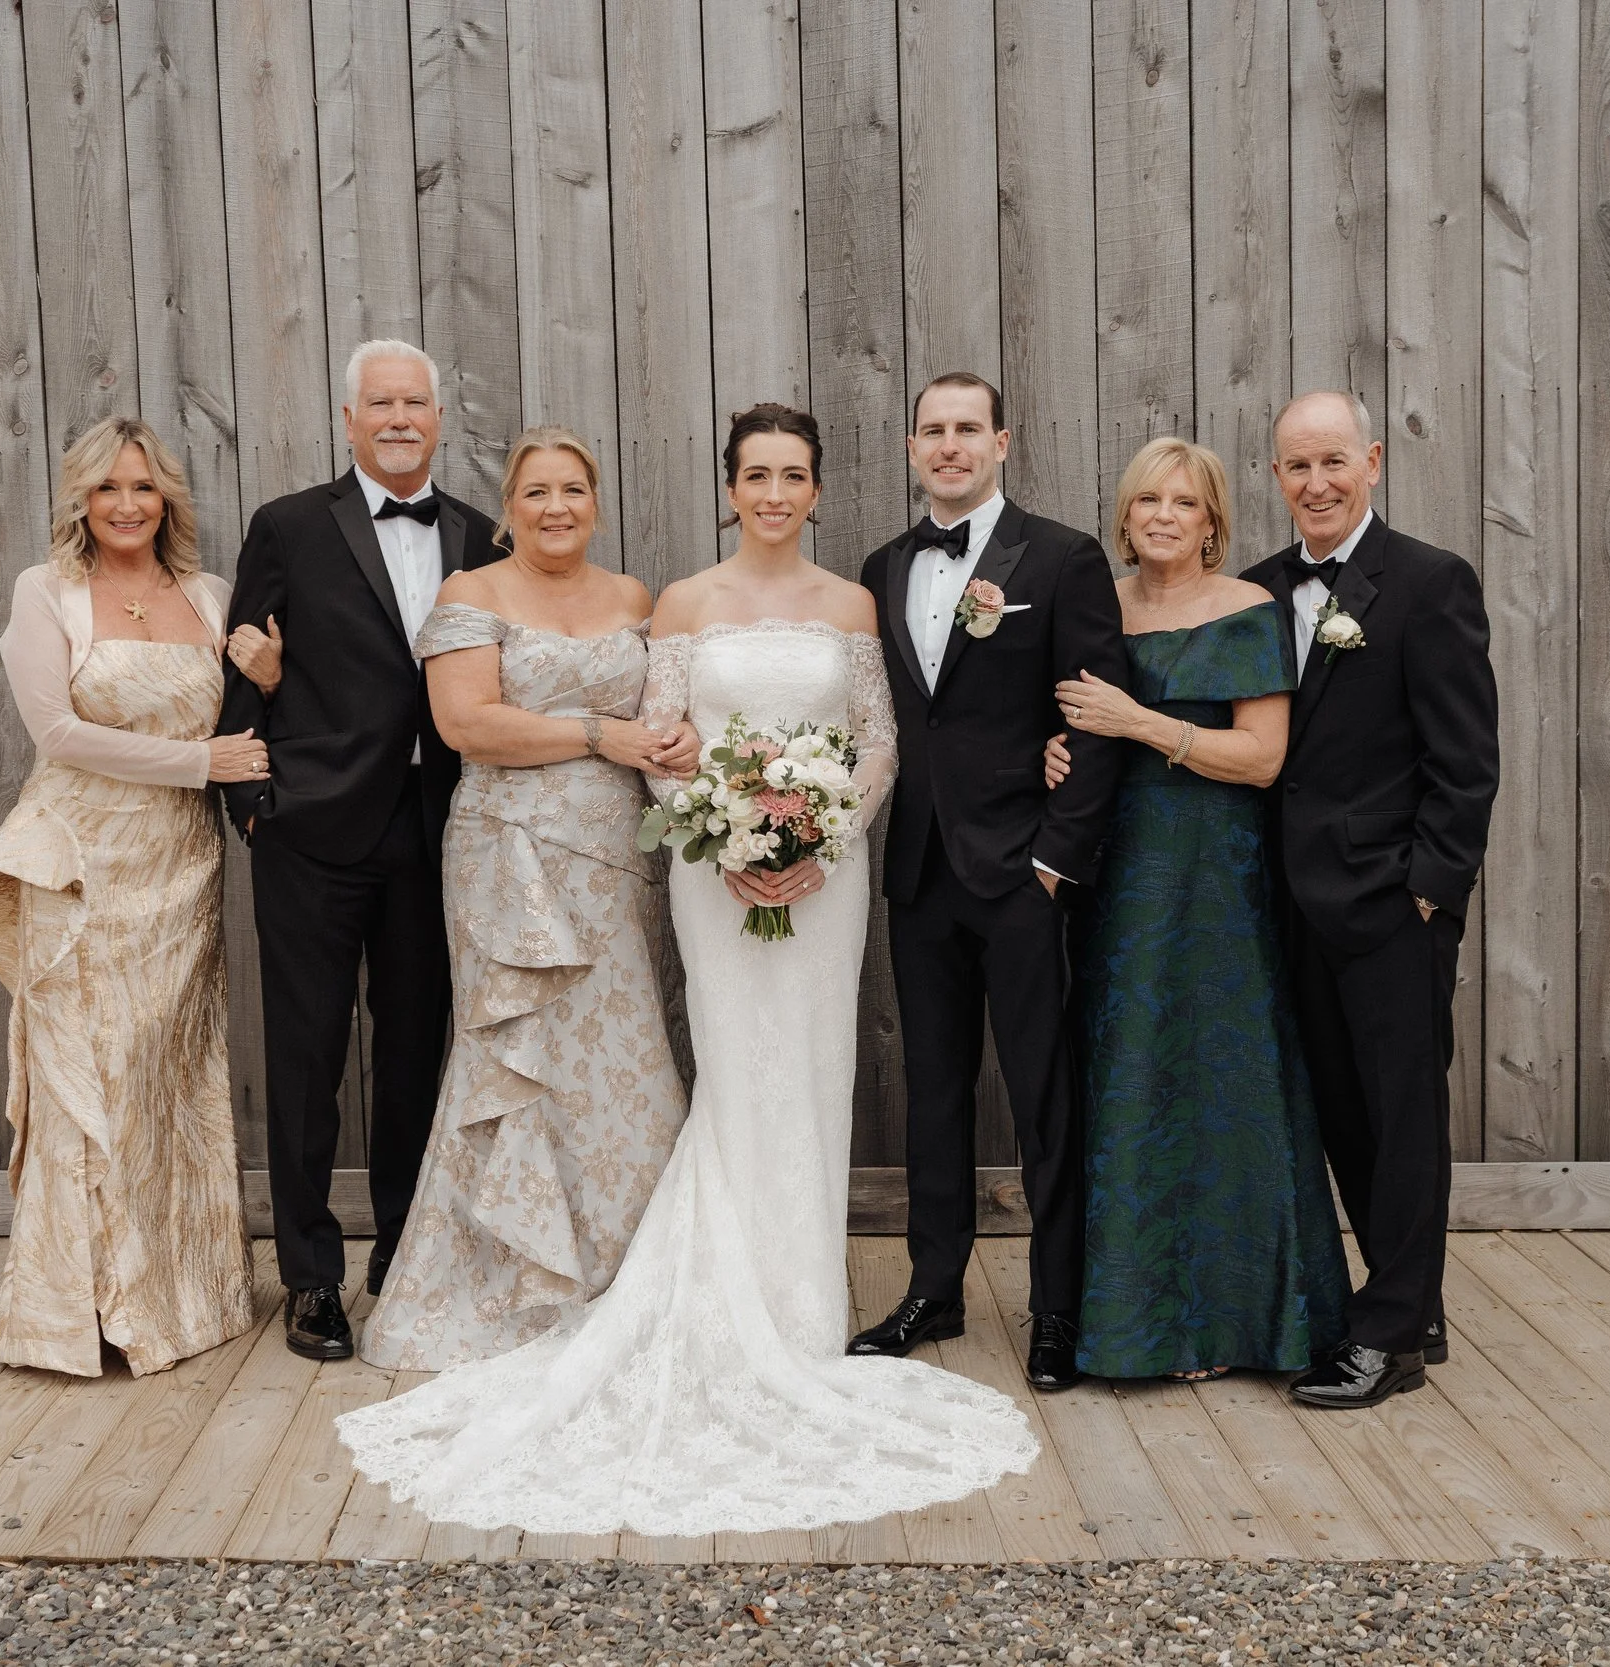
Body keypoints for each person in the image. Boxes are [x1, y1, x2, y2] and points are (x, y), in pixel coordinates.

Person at [332, 405, 1037, 1537]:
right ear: (728, 485)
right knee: (728, 1068)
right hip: (712, 877)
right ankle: (720, 1288)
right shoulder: (681, 605)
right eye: (754, 473)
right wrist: (721, 831)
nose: (772, 491)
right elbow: (659, 736)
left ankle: (802, 1304)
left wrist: (817, 837)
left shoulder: (851, 603)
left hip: (825, 878)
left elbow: (878, 737)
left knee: (810, 1069)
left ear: (815, 490)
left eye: (791, 475)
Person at [358, 428, 697, 1369]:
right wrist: (599, 731)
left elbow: (665, 713)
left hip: (617, 855)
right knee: (519, 1053)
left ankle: (627, 1277)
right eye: (538, 492)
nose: (557, 508)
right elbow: (465, 724)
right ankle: (512, 1282)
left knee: (624, 1054)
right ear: (509, 507)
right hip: (508, 853)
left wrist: (675, 748)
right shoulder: (472, 593)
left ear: (596, 500)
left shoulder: (634, 598)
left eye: (574, 490)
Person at [847, 372, 1132, 1393]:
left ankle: (1060, 1307)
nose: (950, 445)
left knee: (1043, 1094)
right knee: (932, 1092)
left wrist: (1056, 859)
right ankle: (934, 1288)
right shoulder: (883, 565)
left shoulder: (1059, 558)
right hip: (918, 871)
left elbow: (1094, 716)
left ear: (1002, 441)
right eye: (933, 430)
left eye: (968, 428)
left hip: (1021, 874)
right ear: (912, 445)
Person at [1042, 436, 1349, 1381]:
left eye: (1184, 503)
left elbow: (1261, 758)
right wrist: (1049, 758)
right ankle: (1133, 1319)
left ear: (1213, 520)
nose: (1164, 516)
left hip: (1216, 880)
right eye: (1147, 502)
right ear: (1125, 517)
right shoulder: (1101, 607)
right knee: (1130, 1068)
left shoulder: (1248, 610)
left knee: (1223, 1081)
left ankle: (1232, 1322)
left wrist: (1139, 723)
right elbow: (1055, 719)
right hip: (1118, 878)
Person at [217, 340, 501, 1362]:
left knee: (421, 1052)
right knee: (305, 1058)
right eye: (378, 402)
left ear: (437, 417)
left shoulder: (478, 530)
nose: (397, 416)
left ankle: (407, 1255)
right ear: (348, 419)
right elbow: (242, 664)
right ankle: (310, 1277)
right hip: (314, 831)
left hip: (440, 829)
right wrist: (254, 802)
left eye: (414, 401)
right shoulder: (289, 524)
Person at [0, 417, 261, 1376]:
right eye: (107, 489)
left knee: (163, 1082)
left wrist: (271, 674)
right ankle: (77, 1311)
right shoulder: (47, 593)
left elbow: (257, 714)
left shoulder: (211, 596)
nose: (127, 505)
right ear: (80, 501)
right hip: (82, 866)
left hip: (181, 872)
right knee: (85, 1078)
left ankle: (176, 1294)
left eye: (143, 487)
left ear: (167, 496)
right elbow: (58, 732)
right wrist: (198, 760)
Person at [1240, 391, 1499, 1409]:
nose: (1315, 482)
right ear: (1275, 478)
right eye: (1296, 466)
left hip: (1392, 902)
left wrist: (1430, 891)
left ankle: (1388, 1334)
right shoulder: (1254, 591)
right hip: (1290, 903)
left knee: (1401, 1113)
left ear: (1373, 461)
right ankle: (1412, 1296)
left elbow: (1466, 760)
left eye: (1332, 461)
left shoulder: (1429, 583)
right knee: (1342, 1111)